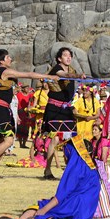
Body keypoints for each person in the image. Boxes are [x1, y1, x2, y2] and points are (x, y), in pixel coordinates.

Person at [0, 136, 110, 219]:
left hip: (76, 208)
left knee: (42, 205)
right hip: (87, 211)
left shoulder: (75, 168)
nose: (65, 156)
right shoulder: (91, 167)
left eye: (66, 152)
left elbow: (60, 196)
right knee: (52, 207)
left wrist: (42, 210)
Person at [0, 49, 55, 179]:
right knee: (9, 140)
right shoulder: (3, 71)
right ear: (1, 61)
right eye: (8, 57)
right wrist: (48, 77)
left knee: (2, 141)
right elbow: (28, 74)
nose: (10, 59)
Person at [42, 47, 85, 180]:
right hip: (54, 109)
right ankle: (47, 170)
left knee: (72, 138)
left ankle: (72, 170)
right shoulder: (57, 69)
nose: (68, 58)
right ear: (59, 58)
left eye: (70, 56)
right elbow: (64, 75)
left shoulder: (71, 69)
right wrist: (78, 76)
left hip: (66, 109)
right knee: (54, 138)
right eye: (65, 55)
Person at [15, 84, 33, 148]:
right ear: (23, 89)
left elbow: (31, 102)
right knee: (20, 128)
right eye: (26, 88)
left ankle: (24, 143)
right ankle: (20, 143)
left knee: (26, 128)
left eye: (28, 88)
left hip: (27, 113)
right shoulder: (19, 95)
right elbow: (16, 103)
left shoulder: (30, 95)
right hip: (20, 112)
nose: (28, 89)